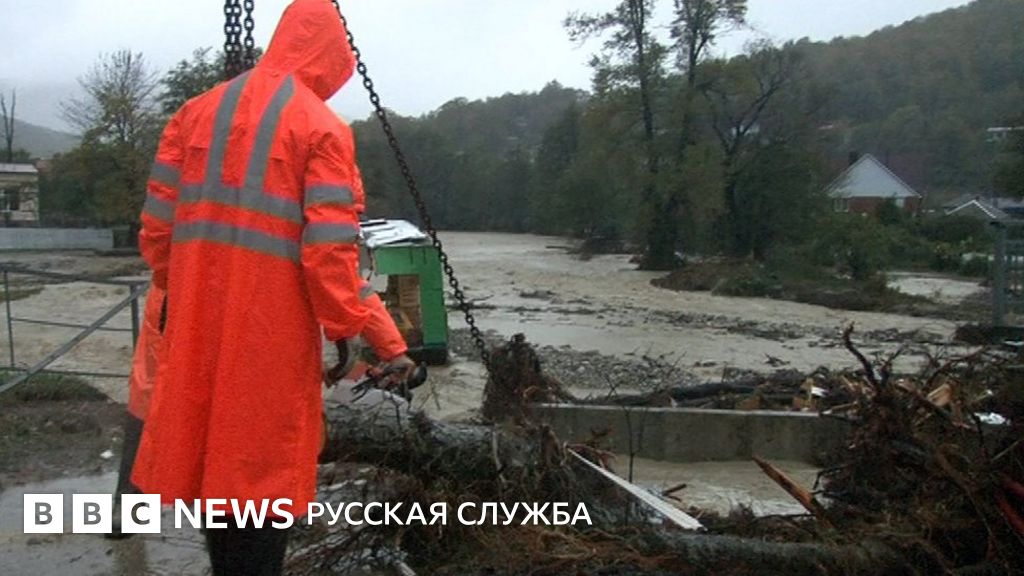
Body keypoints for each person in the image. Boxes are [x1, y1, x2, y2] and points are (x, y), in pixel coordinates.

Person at [131, 1, 412, 573]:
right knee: (261, 478)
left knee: (212, 470)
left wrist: (188, 290)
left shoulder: (193, 114)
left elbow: (157, 232)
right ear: (331, 58)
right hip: (271, 340)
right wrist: (354, 333)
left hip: (196, 330)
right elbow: (329, 254)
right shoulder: (322, 128)